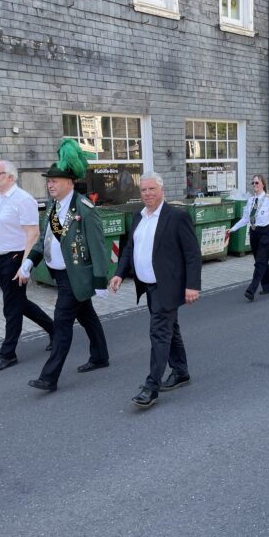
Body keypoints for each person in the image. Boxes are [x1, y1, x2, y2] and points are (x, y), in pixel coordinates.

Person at [18, 140, 110, 392]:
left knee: (62, 324)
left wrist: (100, 280)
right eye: (48, 181)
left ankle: (49, 377)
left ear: (69, 182)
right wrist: (28, 262)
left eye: (54, 181)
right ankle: (100, 355)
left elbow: (98, 245)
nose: (50, 185)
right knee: (87, 315)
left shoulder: (83, 207)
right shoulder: (53, 207)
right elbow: (47, 239)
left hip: (75, 276)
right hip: (59, 274)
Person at [109, 172, 202, 409]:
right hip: (148, 286)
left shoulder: (177, 217)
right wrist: (119, 273)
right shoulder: (139, 217)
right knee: (171, 329)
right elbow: (129, 248)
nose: (147, 194)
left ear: (161, 190)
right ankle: (181, 371)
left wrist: (192, 285)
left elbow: (192, 254)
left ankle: (151, 387)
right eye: (143, 190)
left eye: (152, 189)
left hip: (167, 286)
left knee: (159, 334)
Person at [0, 160, 55, 374]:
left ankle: (7, 354)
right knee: (19, 303)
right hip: (1, 259)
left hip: (16, 258)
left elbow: (33, 234)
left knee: (11, 308)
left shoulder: (23, 200)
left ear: (10, 177)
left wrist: (24, 266)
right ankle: (54, 330)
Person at [228, 174, 269, 300]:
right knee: (260, 261)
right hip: (254, 232)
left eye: (257, 183)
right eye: (253, 183)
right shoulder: (251, 200)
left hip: (266, 233)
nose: (254, 185)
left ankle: (252, 289)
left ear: (263, 184)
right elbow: (245, 219)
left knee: (260, 262)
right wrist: (233, 229)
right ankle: (268, 286)